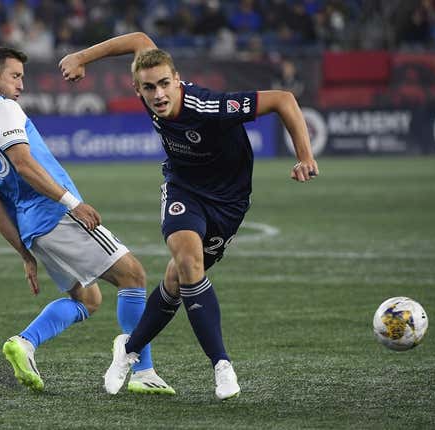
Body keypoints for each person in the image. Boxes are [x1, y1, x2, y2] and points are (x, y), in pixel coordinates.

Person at [59, 32, 319, 400]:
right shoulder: (150, 88)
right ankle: (222, 365)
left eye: (165, 84)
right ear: (138, 90)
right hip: (183, 189)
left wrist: (304, 156)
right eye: (149, 88)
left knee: (175, 280)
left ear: (177, 80)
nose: (159, 94)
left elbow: (283, 100)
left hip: (229, 203)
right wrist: (82, 57)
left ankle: (128, 350)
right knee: (188, 261)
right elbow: (138, 39)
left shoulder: (210, 106)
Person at [0, 46, 174, 395]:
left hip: (32, 231)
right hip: (56, 215)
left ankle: (25, 343)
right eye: (15, 76)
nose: (21, 85)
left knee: (88, 299)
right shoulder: (2, 108)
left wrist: (25, 254)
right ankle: (143, 372)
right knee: (133, 275)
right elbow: (24, 164)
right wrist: (73, 204)